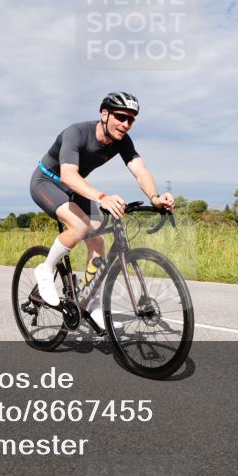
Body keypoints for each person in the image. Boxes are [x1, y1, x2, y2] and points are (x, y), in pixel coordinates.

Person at [29, 91, 175, 328]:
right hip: (47, 182)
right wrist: (102, 197)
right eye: (120, 116)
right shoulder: (76, 133)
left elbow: (140, 170)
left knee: (98, 243)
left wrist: (155, 198)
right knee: (78, 226)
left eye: (131, 119)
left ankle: (90, 303)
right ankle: (45, 269)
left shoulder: (122, 141)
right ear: (104, 114)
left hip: (75, 188)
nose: (126, 124)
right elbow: (68, 174)